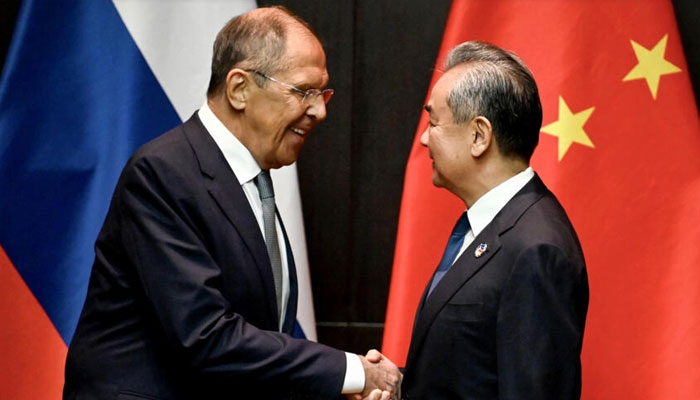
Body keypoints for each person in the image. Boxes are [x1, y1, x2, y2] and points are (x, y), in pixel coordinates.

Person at [63, 7, 400, 400]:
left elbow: (259, 338)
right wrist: (351, 372)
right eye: (303, 91)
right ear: (239, 88)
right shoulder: (164, 174)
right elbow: (205, 336)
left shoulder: (253, 182)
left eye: (322, 92)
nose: (319, 111)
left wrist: (336, 382)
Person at [399, 41, 589, 399]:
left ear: (478, 136)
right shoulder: (490, 226)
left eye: (433, 122)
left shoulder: (536, 249)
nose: (424, 139)